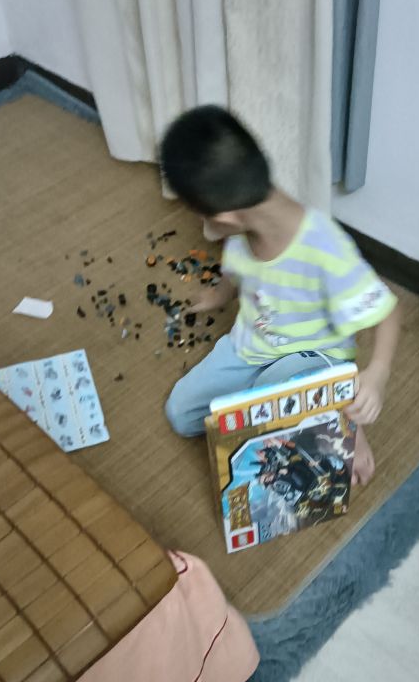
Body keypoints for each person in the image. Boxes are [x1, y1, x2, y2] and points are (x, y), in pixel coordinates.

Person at [160, 105, 401, 485]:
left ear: (223, 217)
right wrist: (219, 296)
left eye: (202, 216)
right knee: (181, 414)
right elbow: (236, 270)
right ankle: (274, 405)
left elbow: (387, 313)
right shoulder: (240, 232)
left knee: (266, 410)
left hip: (313, 359)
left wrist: (378, 375)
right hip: (251, 348)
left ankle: (340, 417)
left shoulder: (325, 247)